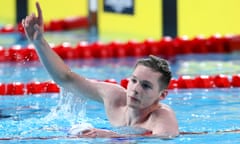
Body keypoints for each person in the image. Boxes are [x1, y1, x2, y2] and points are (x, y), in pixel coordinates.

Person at [22, 2, 179, 138]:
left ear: (162, 94)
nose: (135, 89)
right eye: (134, 80)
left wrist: (115, 137)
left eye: (146, 85)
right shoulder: (114, 97)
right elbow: (66, 79)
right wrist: (39, 42)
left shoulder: (161, 117)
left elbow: (163, 139)